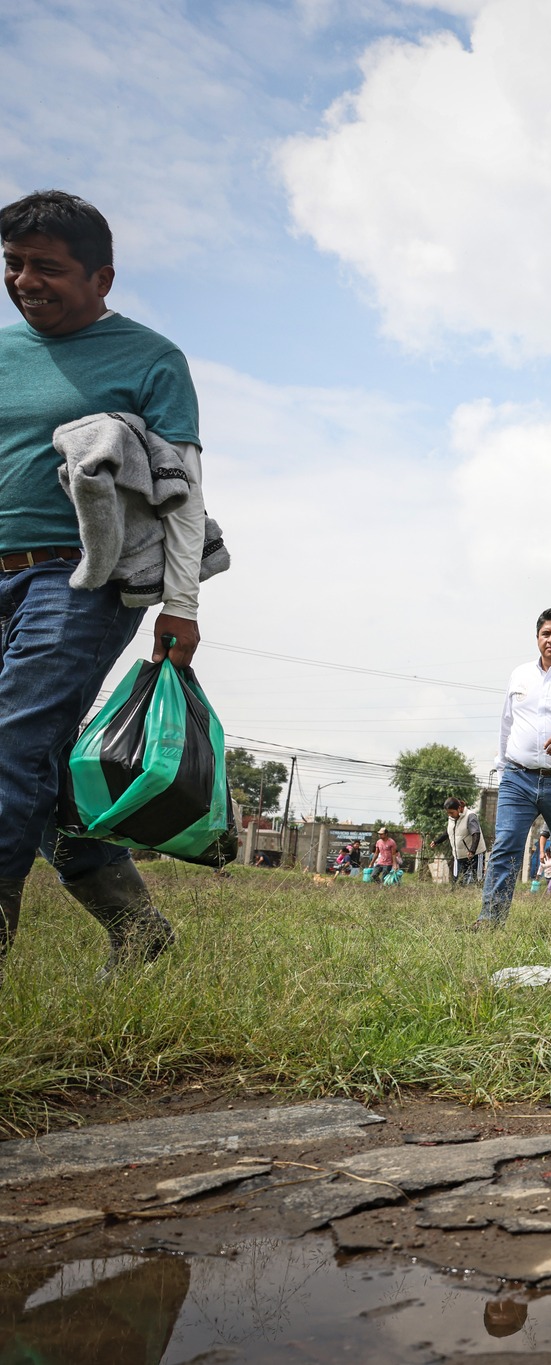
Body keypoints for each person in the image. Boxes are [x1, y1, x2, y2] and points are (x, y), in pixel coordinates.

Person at [0, 191, 204, 981]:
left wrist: (182, 603)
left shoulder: (151, 360)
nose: (24, 281)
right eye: (14, 265)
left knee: (14, 740)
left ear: (102, 276)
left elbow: (185, 489)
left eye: (47, 267)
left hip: (79, 576)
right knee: (35, 758)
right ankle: (138, 927)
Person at [477, 609, 551, 927]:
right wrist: (503, 766)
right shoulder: (520, 675)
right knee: (505, 846)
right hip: (517, 777)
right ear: (537, 638)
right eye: (546, 633)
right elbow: (507, 722)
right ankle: (491, 920)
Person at [446, 797, 485, 886]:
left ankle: (479, 896)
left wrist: (472, 850)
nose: (449, 815)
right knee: (457, 882)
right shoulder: (453, 818)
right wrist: (437, 841)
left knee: (478, 880)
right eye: (448, 813)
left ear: (459, 808)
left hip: (475, 854)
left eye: (451, 812)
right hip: (459, 855)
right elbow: (449, 832)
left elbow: (476, 833)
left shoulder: (470, 816)